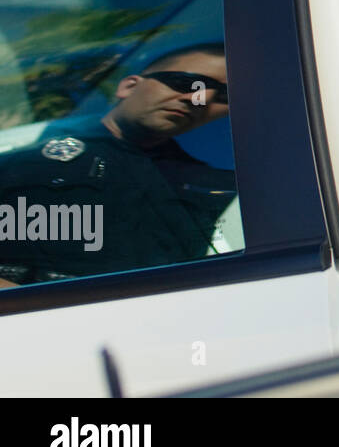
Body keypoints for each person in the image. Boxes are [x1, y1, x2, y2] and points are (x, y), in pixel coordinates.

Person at [0, 43, 236, 288]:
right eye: (186, 83)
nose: (200, 100)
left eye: (222, 97)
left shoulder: (222, 191)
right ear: (129, 86)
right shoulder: (20, 157)